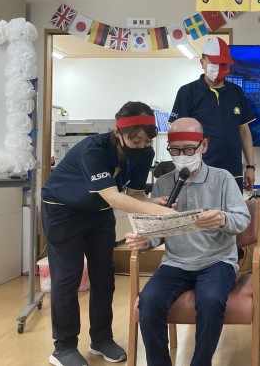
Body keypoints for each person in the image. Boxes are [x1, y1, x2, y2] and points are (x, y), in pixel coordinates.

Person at [41, 101, 176, 366]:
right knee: (68, 278)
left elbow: (134, 195)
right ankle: (64, 347)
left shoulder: (145, 153)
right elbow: (115, 198)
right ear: (118, 132)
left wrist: (153, 202)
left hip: (99, 212)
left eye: (147, 141)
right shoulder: (93, 150)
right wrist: (158, 212)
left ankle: (101, 339)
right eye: (135, 141)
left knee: (104, 276)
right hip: (63, 211)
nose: (141, 146)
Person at [125, 117, 250, 366]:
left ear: (204, 145)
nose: (181, 156)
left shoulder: (222, 178)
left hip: (217, 261)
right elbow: (157, 233)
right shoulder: (164, 182)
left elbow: (242, 220)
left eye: (189, 150)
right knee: (148, 302)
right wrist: (143, 239)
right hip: (175, 262)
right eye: (175, 150)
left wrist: (222, 219)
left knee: (211, 301)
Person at [169, 36, 256, 192]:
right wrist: (184, 166)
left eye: (224, 64)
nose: (220, 68)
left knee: (232, 208)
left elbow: (244, 131)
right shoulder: (187, 92)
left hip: (233, 171)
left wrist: (250, 166)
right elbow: (178, 136)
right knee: (200, 207)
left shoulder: (236, 92)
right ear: (202, 63)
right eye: (215, 63)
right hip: (199, 171)